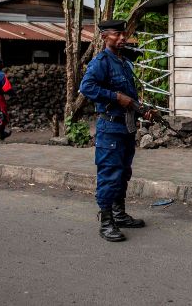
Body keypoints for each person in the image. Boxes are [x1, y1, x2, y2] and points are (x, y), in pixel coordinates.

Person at [79, 19, 158, 242]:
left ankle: (119, 214)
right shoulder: (101, 62)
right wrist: (115, 97)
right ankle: (106, 222)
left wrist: (144, 111)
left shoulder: (123, 62)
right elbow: (86, 87)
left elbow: (130, 98)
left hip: (126, 126)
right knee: (109, 174)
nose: (123, 38)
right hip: (110, 128)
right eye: (117, 34)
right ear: (105, 37)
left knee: (123, 173)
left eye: (124, 34)